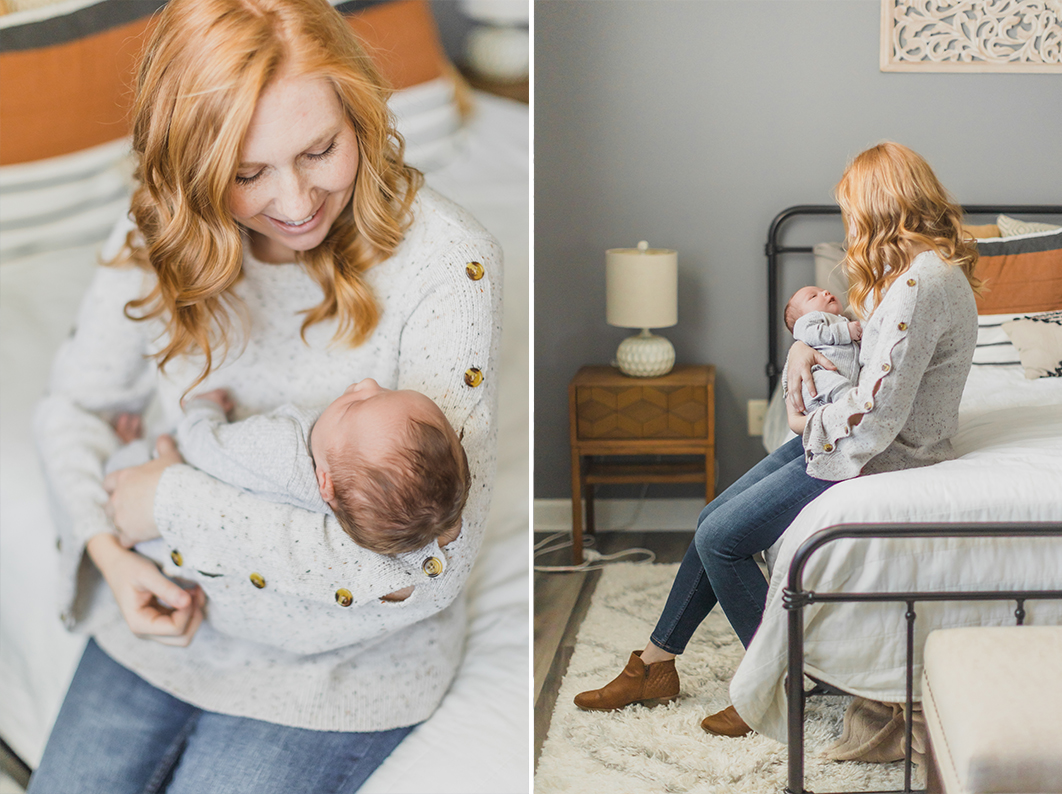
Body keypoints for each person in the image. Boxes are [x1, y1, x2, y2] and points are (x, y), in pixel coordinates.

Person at [28, 0, 500, 791]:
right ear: (193, 167)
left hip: (342, 668)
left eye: (320, 149)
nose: (296, 200)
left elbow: (421, 567)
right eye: (246, 173)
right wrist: (109, 551)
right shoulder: (160, 236)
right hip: (168, 616)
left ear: (358, 113)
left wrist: (170, 504)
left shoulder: (448, 265)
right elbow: (71, 406)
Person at [573, 141, 979, 739]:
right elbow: (877, 349)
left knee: (722, 539)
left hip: (877, 453)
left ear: (876, 207)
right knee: (715, 516)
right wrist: (803, 347)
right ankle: (657, 665)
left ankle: (772, 681)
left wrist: (801, 424)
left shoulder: (923, 283)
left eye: (851, 211)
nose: (849, 225)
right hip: (849, 434)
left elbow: (878, 417)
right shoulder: (921, 275)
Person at [111, 378, 470, 557]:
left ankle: (127, 448)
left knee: (130, 465)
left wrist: (203, 408)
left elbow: (204, 445)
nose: (367, 383)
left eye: (354, 406)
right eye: (386, 391)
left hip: (156, 502)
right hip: (196, 540)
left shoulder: (279, 448)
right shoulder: (353, 507)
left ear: (324, 483)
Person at [784, 286, 862, 413]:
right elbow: (812, 333)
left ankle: (850, 411)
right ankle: (855, 410)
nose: (826, 292)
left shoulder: (841, 319)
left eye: (823, 291)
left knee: (843, 389)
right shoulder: (807, 322)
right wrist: (845, 331)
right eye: (813, 296)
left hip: (831, 389)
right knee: (840, 388)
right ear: (801, 317)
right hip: (817, 382)